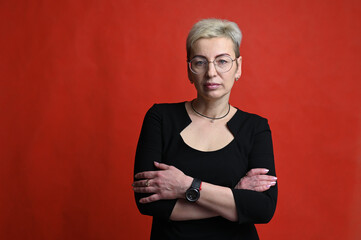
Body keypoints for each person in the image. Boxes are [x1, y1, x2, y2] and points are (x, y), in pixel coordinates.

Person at [132, 18, 277, 240]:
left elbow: (263, 208)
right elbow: (149, 203)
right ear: (189, 70)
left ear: (238, 67)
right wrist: (235, 197)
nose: (211, 72)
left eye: (222, 61)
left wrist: (187, 187)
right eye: (200, 62)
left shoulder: (256, 128)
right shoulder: (160, 118)